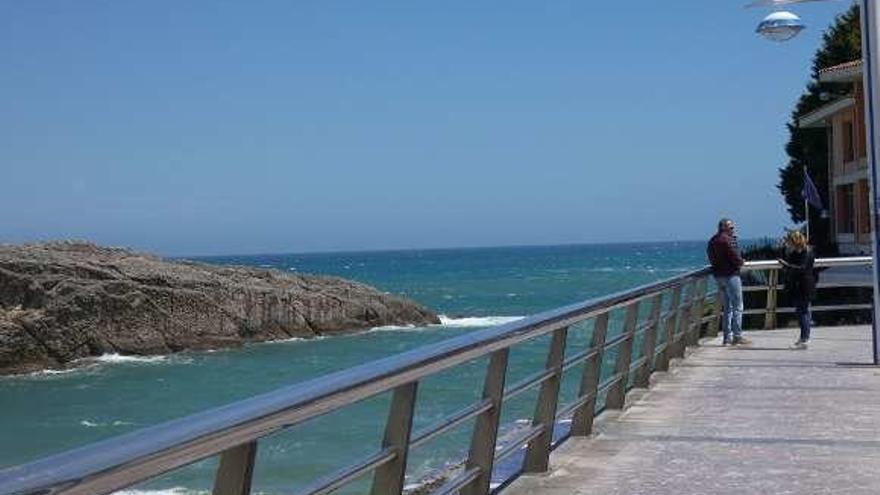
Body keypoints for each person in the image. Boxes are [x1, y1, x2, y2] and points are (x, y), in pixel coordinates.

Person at [707, 218, 749, 345]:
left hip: (719, 276)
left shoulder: (712, 241)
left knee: (727, 308)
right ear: (724, 228)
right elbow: (735, 256)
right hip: (731, 275)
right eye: (731, 228)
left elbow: (710, 256)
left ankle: (726, 337)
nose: (733, 229)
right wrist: (741, 261)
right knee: (738, 306)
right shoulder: (727, 240)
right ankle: (737, 336)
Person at [778, 230, 816, 349]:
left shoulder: (807, 252)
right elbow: (787, 260)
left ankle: (805, 338)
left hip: (805, 285)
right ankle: (803, 337)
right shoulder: (795, 252)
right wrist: (782, 249)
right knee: (800, 312)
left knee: (803, 311)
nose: (789, 244)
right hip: (797, 286)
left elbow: (802, 268)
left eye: (790, 242)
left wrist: (787, 266)